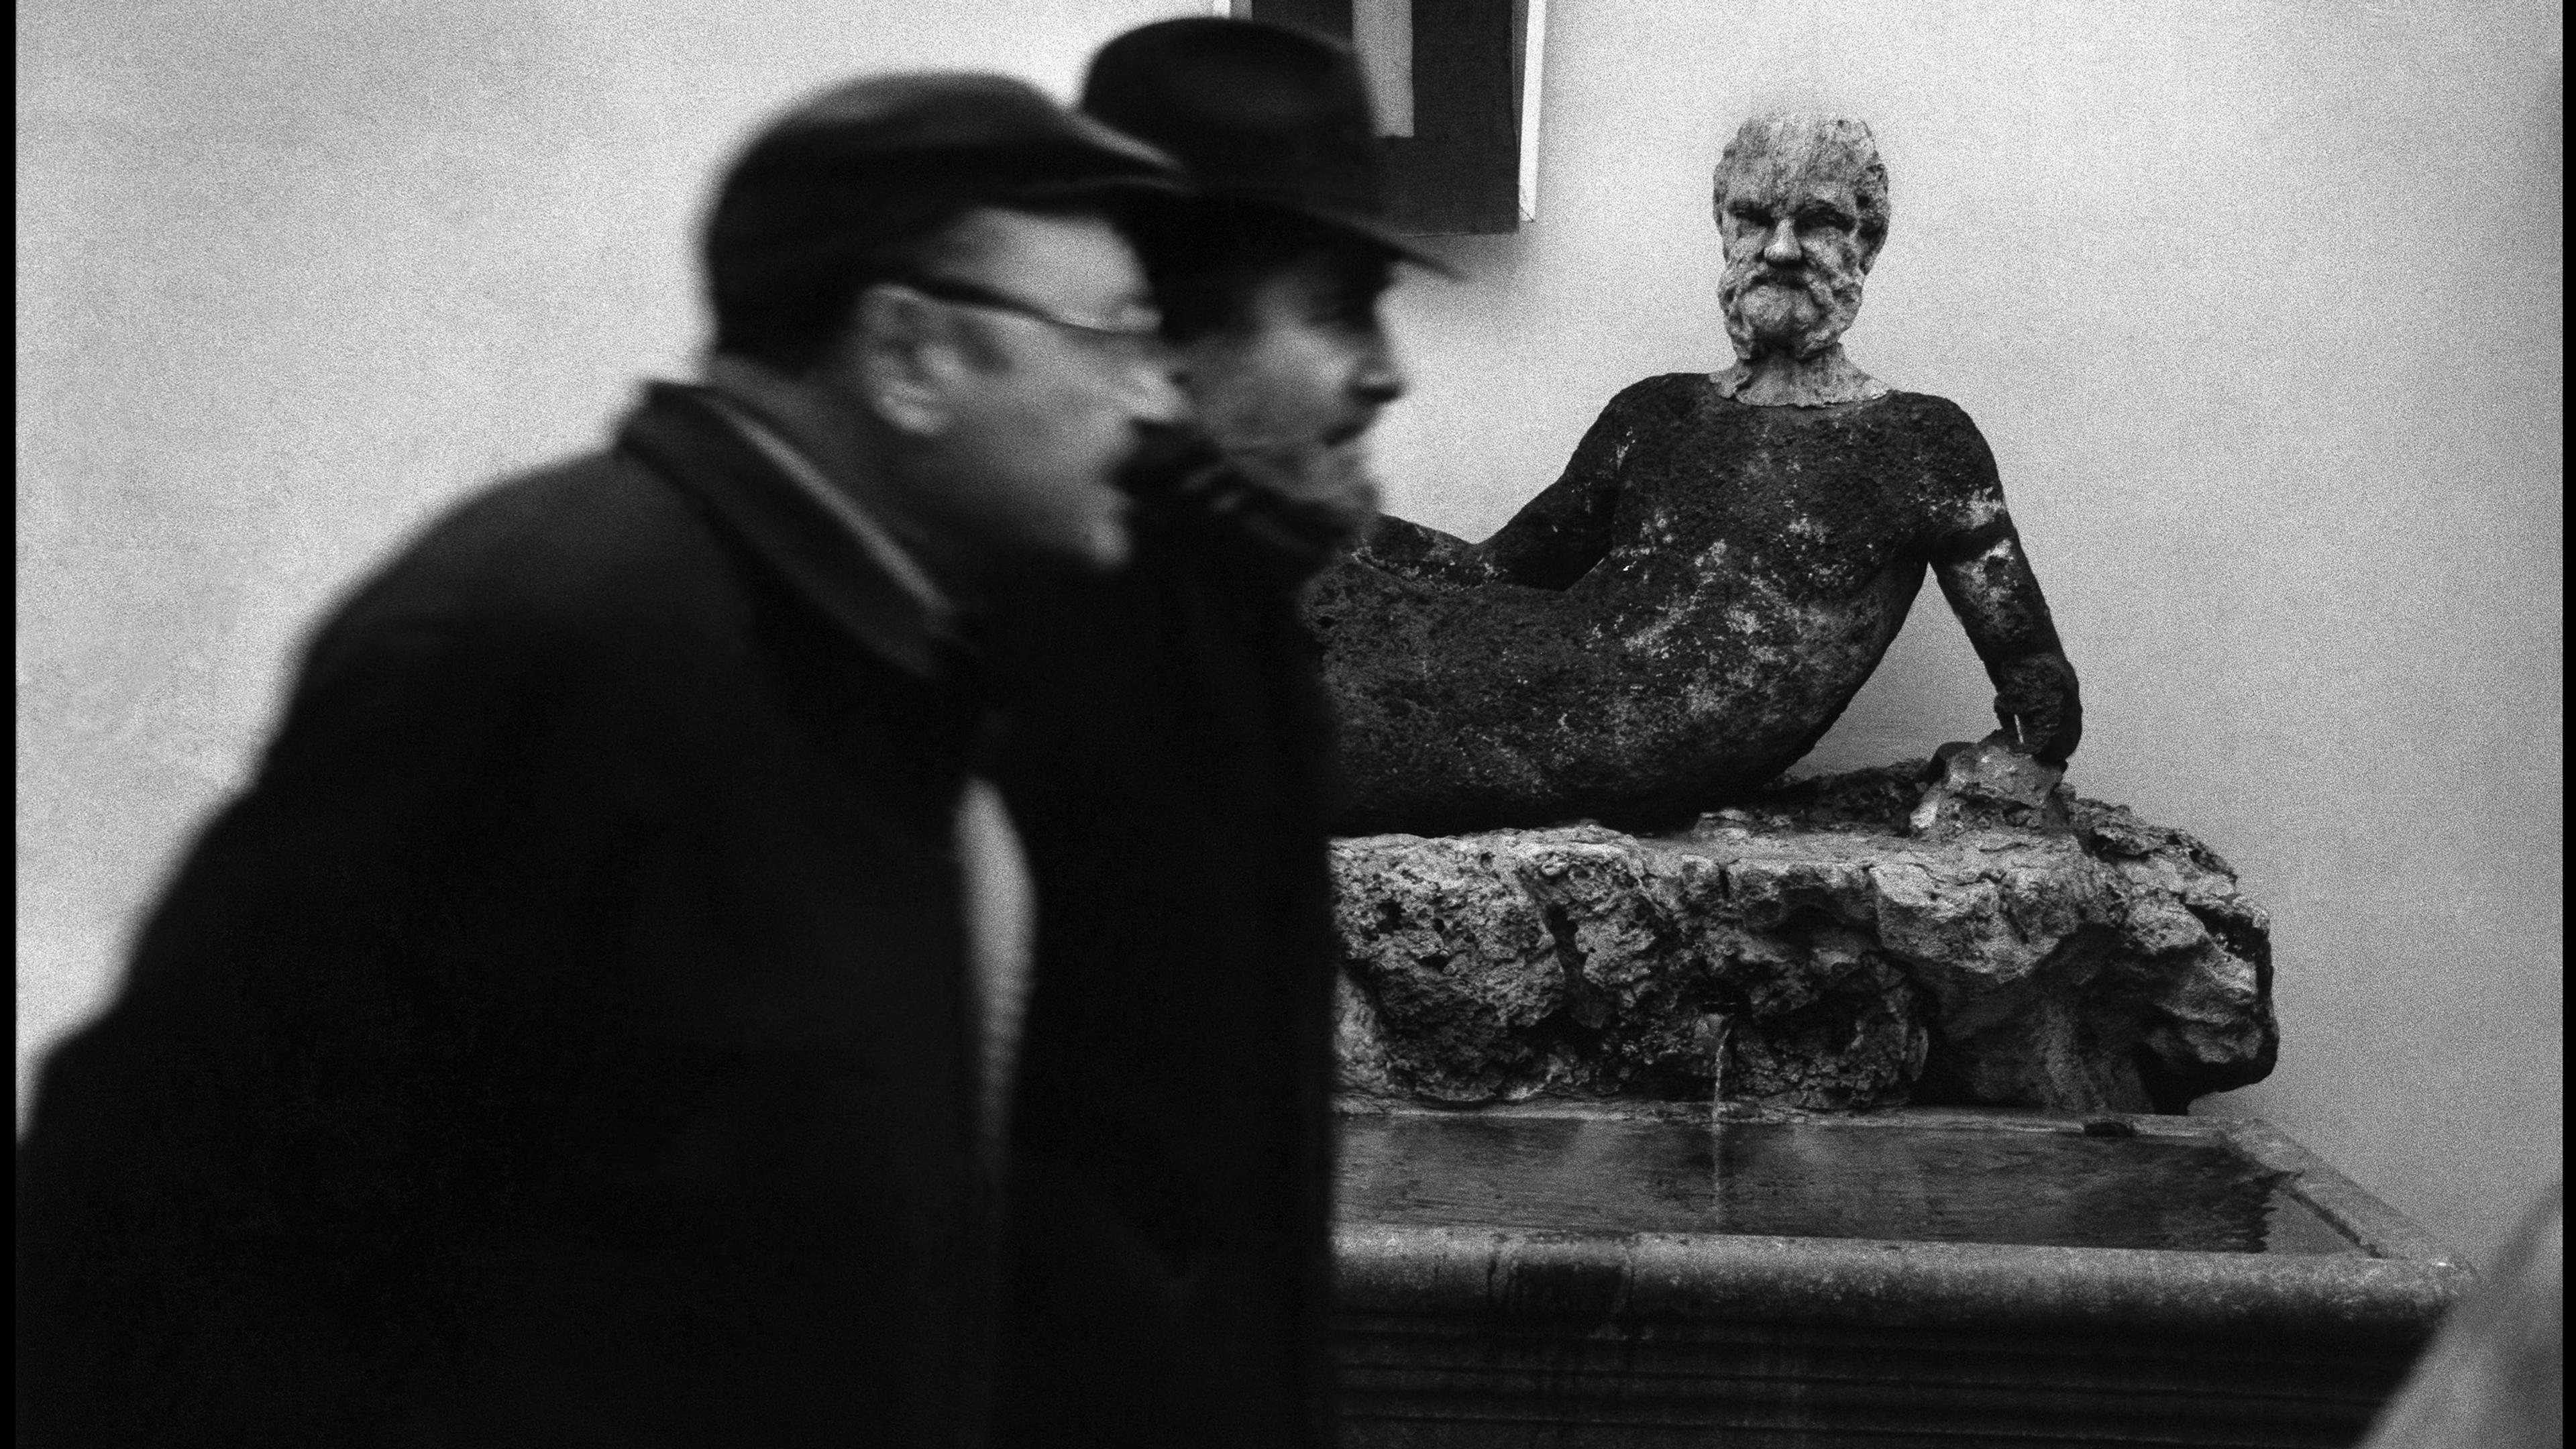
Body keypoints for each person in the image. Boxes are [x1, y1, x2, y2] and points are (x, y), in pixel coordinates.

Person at [17, 74, 1186, 1448]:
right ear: (909, 355)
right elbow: (156, 1223)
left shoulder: (882, 673)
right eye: (1111, 336)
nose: (1154, 399)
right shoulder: (559, 641)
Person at [981, 19, 1438, 1447]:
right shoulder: (1066, 640)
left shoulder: (1220, 611)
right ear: (1168, 338)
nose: (1388, 373)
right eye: (1338, 311)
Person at [1312, 112, 2083, 834]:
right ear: (1725, 230)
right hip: (1522, 671)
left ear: (1867, 241)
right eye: (1754, 219)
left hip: (1594, 738)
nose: (1782, 250)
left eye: (1817, 221)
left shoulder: (1918, 442)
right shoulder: (1657, 412)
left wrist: (2017, 765)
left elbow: (2038, 686)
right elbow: (1496, 571)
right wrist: (1326, 528)